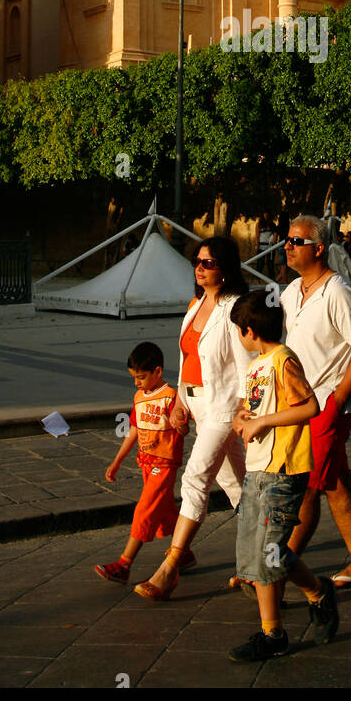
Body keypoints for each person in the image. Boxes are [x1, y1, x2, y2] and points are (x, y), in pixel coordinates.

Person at [134, 236, 250, 600]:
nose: (200, 269)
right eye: (197, 262)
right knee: (240, 490)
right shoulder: (195, 305)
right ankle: (266, 560)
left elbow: (248, 367)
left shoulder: (236, 308)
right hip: (197, 405)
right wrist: (181, 402)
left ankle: (170, 567)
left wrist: (247, 411)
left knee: (195, 477)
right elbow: (186, 360)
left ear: (226, 269)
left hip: (224, 409)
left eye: (209, 263)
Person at [227, 289, 339, 661]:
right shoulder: (256, 366)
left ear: (250, 331)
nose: (239, 340)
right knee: (255, 557)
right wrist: (241, 418)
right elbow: (248, 407)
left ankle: (317, 592)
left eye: (239, 333)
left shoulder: (282, 361)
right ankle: (272, 632)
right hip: (257, 469)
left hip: (283, 470)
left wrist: (263, 421)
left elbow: (310, 405)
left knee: (270, 553)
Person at [280, 215, 351, 587]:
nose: (288, 246)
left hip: (328, 406)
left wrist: (337, 401)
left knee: (308, 485)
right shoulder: (292, 292)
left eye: (297, 242)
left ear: (318, 249)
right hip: (302, 405)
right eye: (287, 240)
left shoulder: (338, 292)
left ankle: (278, 566)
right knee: (334, 481)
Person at [93, 341, 189, 583]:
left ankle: (124, 564)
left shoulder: (171, 397)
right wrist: (116, 461)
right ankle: (184, 553)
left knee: (145, 509)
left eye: (142, 377)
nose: (137, 382)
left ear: (158, 371)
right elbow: (133, 430)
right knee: (164, 511)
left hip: (164, 464)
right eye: (134, 377)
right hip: (145, 462)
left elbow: (183, 427)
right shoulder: (139, 397)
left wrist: (182, 425)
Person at [256, 211, 278, 280]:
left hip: (270, 247)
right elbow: (257, 236)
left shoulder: (273, 224)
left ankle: (271, 279)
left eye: (267, 213)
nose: (266, 215)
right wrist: (256, 246)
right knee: (260, 263)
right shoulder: (259, 224)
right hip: (261, 246)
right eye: (265, 213)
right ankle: (257, 279)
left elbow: (275, 235)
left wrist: (274, 244)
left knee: (270, 264)